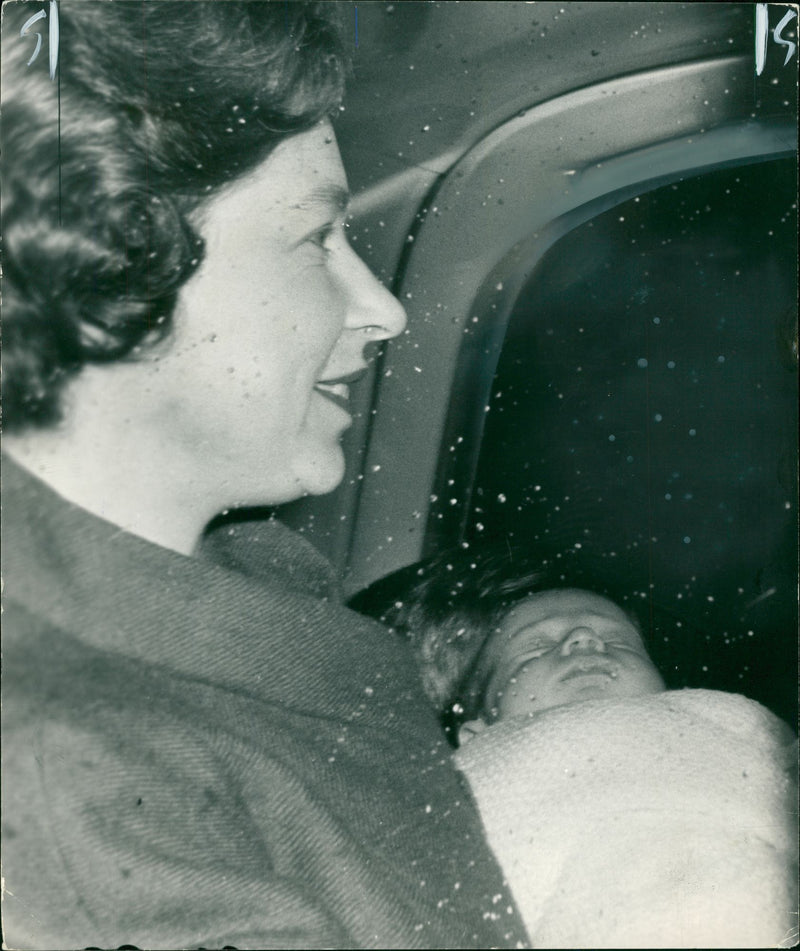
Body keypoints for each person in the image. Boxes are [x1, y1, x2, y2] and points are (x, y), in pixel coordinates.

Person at [0, 5, 526, 949]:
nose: (385, 312)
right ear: (111, 262)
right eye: (315, 239)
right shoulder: (65, 776)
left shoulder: (254, 574)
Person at [352, 545, 799, 949]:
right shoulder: (471, 769)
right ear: (477, 733)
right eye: (533, 651)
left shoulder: (714, 716)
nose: (585, 639)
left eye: (621, 643)